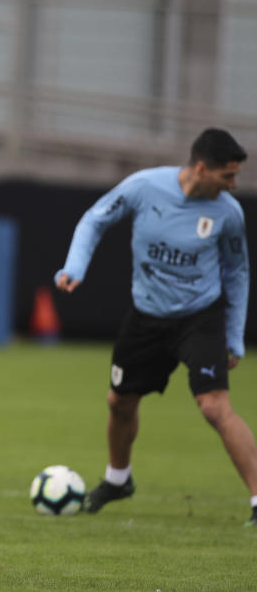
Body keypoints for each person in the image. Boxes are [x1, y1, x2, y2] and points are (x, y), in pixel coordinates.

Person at [54, 127, 256, 523]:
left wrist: (233, 336)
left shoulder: (228, 213)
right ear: (201, 168)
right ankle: (117, 480)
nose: (234, 184)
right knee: (120, 401)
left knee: (214, 407)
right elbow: (94, 220)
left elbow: (237, 272)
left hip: (200, 317)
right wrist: (75, 266)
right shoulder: (145, 188)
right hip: (147, 316)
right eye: (227, 176)